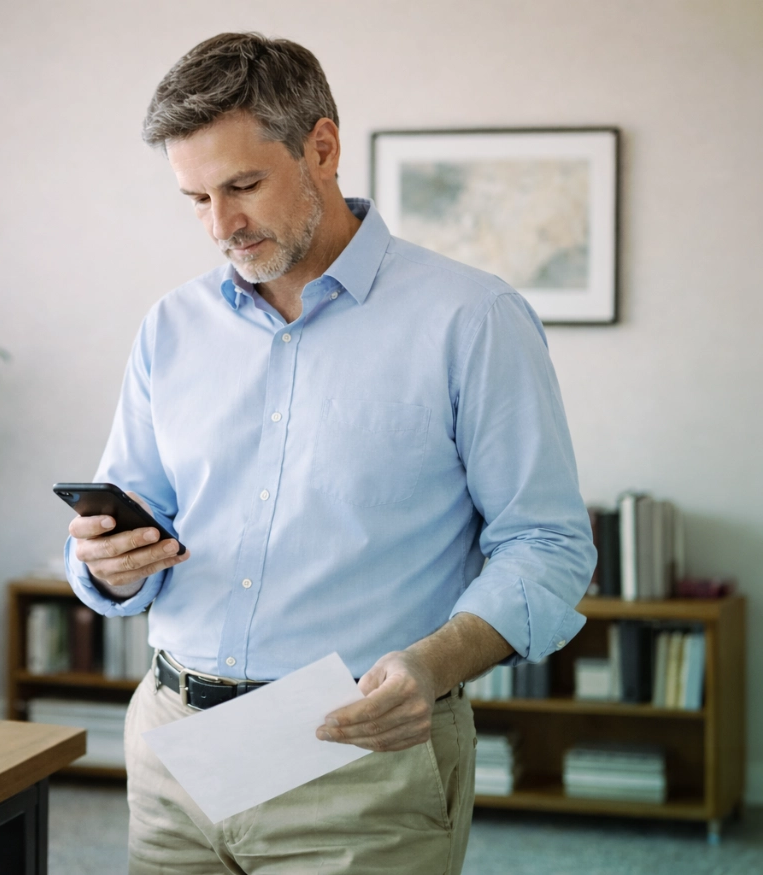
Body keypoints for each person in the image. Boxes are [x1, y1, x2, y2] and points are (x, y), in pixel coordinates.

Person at [62, 32, 595, 875]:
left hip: (352, 753)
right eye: (195, 198)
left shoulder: (472, 320)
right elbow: (130, 526)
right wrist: (105, 565)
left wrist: (431, 664)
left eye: (242, 185)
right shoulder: (171, 326)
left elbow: (549, 545)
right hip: (173, 746)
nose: (220, 224)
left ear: (323, 146)